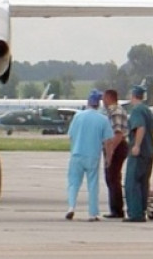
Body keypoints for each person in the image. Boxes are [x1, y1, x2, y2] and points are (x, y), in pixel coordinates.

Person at [65, 91, 113, 221]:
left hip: (77, 153)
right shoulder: (103, 119)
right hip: (93, 155)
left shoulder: (78, 116)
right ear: (98, 104)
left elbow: (71, 136)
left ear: (88, 102)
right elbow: (108, 141)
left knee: (73, 183)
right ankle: (93, 213)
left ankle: (71, 207)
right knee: (93, 185)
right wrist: (108, 157)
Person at [124, 85, 153, 222]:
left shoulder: (137, 110)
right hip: (149, 150)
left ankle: (135, 213)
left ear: (133, 95)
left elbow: (140, 127)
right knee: (144, 182)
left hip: (139, 152)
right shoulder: (148, 111)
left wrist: (136, 145)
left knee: (132, 182)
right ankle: (141, 210)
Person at [102, 89, 129, 219]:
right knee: (112, 178)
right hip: (116, 146)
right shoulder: (115, 111)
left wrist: (110, 152)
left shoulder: (115, 112)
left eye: (104, 98)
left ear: (109, 98)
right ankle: (116, 208)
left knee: (112, 178)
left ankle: (117, 210)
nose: (103, 101)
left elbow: (118, 134)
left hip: (117, 147)